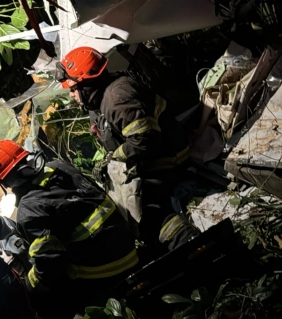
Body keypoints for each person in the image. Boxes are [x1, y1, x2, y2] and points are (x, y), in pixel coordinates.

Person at [55, 46, 199, 257]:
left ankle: (188, 241)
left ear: (88, 84)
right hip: (149, 158)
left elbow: (146, 140)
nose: (72, 94)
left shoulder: (117, 98)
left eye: (74, 88)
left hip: (168, 158)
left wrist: (116, 157)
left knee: (144, 212)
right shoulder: (99, 101)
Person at [0, 140, 139, 319]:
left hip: (105, 271)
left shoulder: (30, 209)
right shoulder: (59, 166)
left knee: (44, 298)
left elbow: (50, 263)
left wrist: (31, 286)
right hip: (128, 245)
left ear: (4, 181)